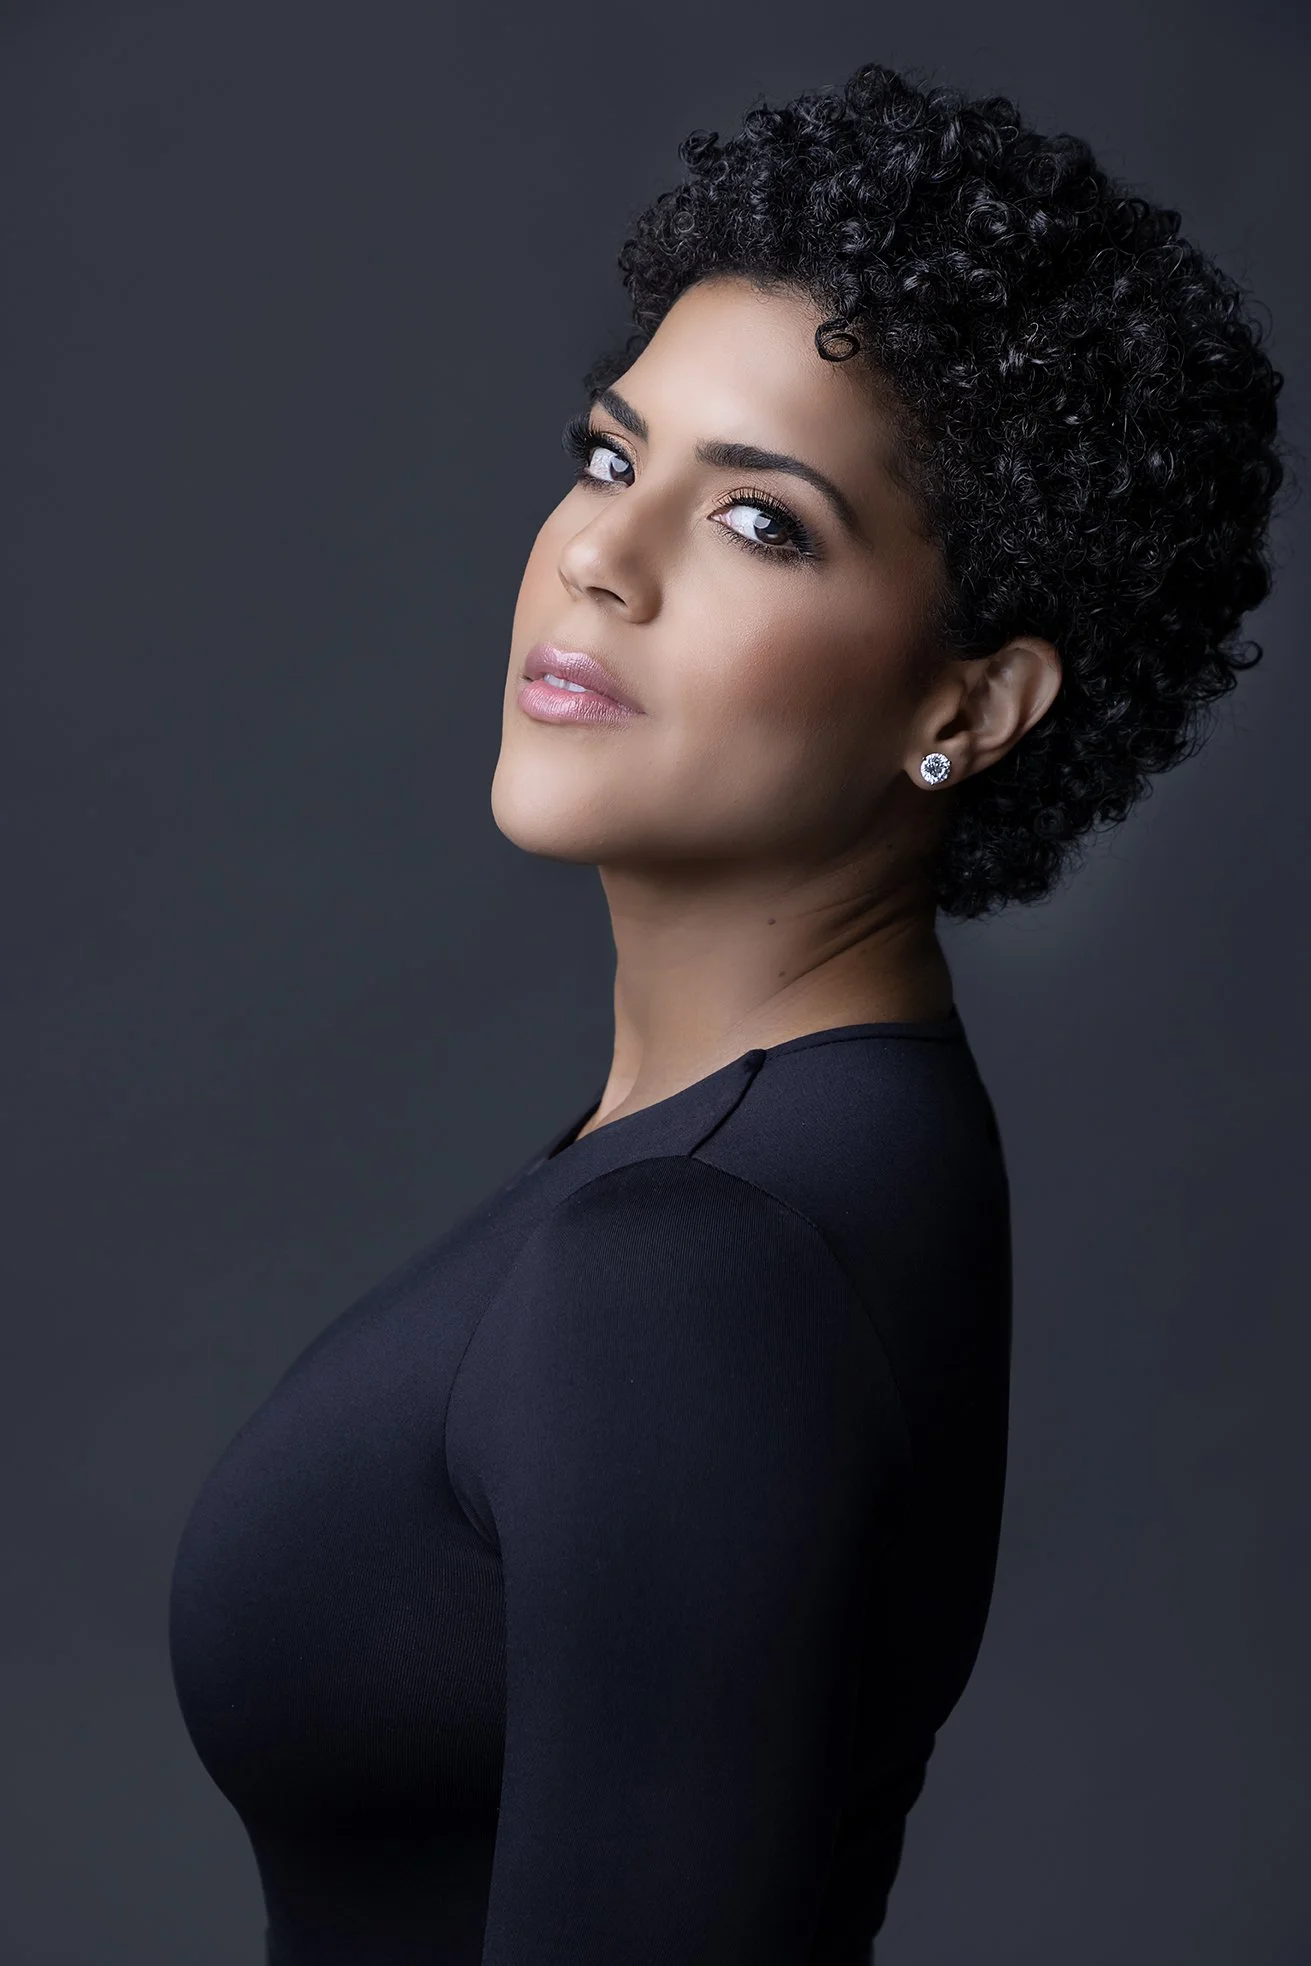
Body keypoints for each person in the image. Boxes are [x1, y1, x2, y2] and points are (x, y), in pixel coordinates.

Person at [168, 60, 1286, 1966]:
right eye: (613, 459)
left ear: (970, 705)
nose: (598, 556)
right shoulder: (798, 1153)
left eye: (762, 521)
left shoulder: (693, 1269)